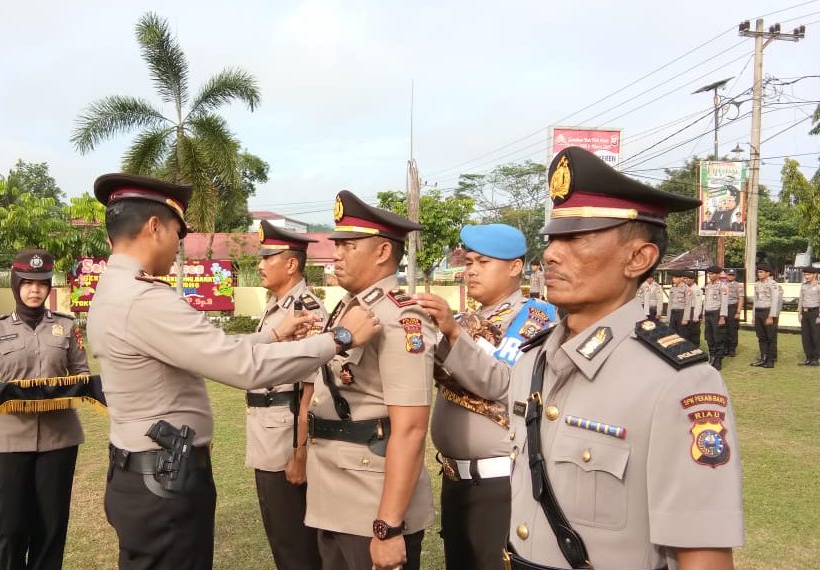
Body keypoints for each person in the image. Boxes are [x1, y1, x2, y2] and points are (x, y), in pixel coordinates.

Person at [435, 147, 745, 569]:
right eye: (552, 239)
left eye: (577, 238)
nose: (551, 254)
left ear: (638, 259)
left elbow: (702, 554)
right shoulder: (533, 359)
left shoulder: (678, 382)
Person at [85, 174, 380, 570]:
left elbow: (212, 350)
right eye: (177, 232)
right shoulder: (144, 299)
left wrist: (274, 334)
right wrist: (340, 337)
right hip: (162, 483)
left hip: (146, 474)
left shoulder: (114, 291)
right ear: (154, 227)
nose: (178, 245)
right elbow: (241, 367)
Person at [304, 190, 436, 570]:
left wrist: (388, 527)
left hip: (371, 501)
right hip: (334, 495)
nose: (336, 254)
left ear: (381, 252)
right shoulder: (350, 308)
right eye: (337, 244)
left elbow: (410, 429)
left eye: (349, 245)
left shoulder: (399, 318)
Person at [414, 224, 558, 570]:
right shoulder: (467, 319)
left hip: (500, 481)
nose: (471, 270)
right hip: (455, 478)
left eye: (483, 262)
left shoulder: (533, 319)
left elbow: (502, 384)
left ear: (515, 267)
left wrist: (451, 332)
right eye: (468, 263)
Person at [0, 248, 89, 570]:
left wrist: (69, 387)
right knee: (11, 524)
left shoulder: (66, 327)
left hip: (59, 439)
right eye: (27, 283)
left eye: (42, 283)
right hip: (10, 440)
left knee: (51, 526)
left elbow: (82, 372)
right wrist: (5, 395)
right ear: (16, 284)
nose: (34, 290)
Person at [247, 220, 325, 570]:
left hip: (285, 442)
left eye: (268, 257)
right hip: (267, 436)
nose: (260, 265)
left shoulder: (306, 310)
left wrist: (301, 452)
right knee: (283, 540)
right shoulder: (276, 307)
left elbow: (311, 390)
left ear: (291, 264)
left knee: (297, 547)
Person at [751, 263, 783, 368]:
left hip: (768, 311)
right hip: (759, 311)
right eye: (758, 272)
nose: (759, 274)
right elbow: (755, 300)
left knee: (771, 337)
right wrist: (754, 315)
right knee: (761, 337)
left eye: (761, 272)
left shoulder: (773, 284)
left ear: (767, 273)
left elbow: (775, 301)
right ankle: (763, 357)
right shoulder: (757, 284)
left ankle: (771, 360)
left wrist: (771, 316)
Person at [702, 265, 729, 369]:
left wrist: (722, 317)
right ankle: (712, 357)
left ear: (718, 274)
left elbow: (724, 302)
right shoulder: (708, 286)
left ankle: (718, 361)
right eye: (709, 274)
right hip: (708, 312)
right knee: (709, 337)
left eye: (712, 274)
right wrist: (704, 314)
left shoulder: (722, 286)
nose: (710, 275)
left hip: (717, 313)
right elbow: (706, 301)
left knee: (718, 337)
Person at [797, 266, 820, 366]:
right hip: (805, 313)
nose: (806, 276)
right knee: (805, 336)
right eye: (805, 274)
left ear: (814, 274)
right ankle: (808, 357)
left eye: (808, 274)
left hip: (815, 312)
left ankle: (816, 358)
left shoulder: (819, 286)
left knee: (816, 336)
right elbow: (801, 299)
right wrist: (799, 312)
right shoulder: (804, 286)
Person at [721, 269, 744, 356]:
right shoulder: (723, 284)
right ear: (726, 275)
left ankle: (732, 349)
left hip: (732, 307)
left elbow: (741, 298)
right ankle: (725, 348)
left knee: (732, 329)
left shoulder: (738, 285)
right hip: (723, 307)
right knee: (723, 329)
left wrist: (738, 312)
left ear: (735, 276)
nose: (730, 276)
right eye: (729, 274)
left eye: (732, 275)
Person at [666, 271, 689, 337]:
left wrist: (685, 318)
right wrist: (669, 316)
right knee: (672, 333)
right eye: (673, 277)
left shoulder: (686, 288)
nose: (673, 279)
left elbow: (688, 304)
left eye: (676, 277)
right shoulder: (673, 288)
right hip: (673, 313)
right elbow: (670, 303)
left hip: (681, 313)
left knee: (682, 334)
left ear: (681, 278)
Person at [686, 271, 704, 348]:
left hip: (693, 311)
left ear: (693, 280)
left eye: (687, 278)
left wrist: (696, 316)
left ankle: (695, 346)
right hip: (686, 311)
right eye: (685, 278)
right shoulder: (686, 288)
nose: (686, 280)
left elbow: (698, 304)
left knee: (694, 331)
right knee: (686, 331)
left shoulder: (697, 290)